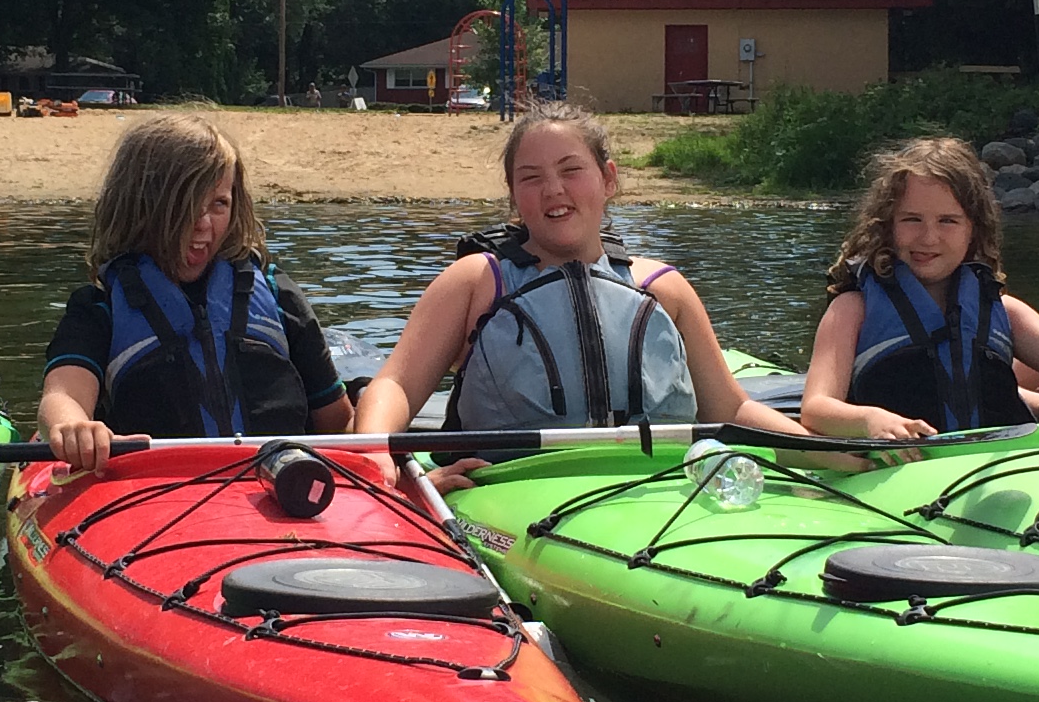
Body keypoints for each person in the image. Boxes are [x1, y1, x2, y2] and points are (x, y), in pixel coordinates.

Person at [353, 101, 811, 445]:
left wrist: (824, 451)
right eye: (530, 178)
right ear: (514, 195)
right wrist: (378, 457)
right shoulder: (476, 281)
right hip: (507, 486)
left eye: (571, 170)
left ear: (608, 179)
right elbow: (395, 385)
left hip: (654, 487)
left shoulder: (662, 289)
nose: (553, 189)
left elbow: (731, 407)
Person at [39, 114, 353, 469]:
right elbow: (62, 395)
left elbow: (338, 422)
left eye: (219, 204)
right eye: (186, 205)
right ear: (141, 206)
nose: (204, 223)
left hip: (279, 488)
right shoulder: (99, 309)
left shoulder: (278, 296)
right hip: (151, 494)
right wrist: (73, 426)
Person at [798, 137, 1039, 440]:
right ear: (888, 225)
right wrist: (868, 420)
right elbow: (816, 409)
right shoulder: (854, 310)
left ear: (973, 231)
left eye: (948, 221)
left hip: (992, 473)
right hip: (899, 470)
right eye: (911, 220)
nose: (928, 237)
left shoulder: (1006, 312)